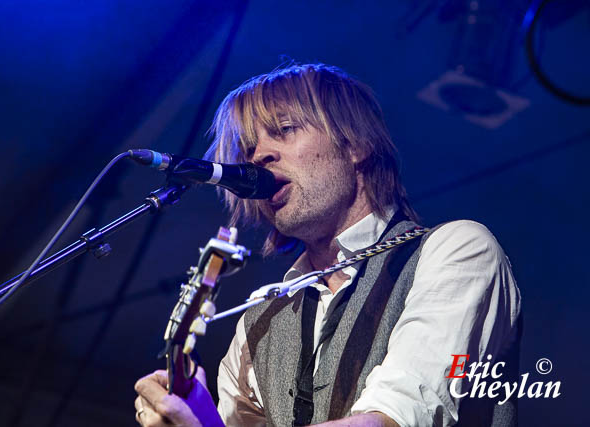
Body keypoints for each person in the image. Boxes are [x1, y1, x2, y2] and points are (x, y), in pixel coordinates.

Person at [134, 63, 521, 426]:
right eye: (248, 148)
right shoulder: (258, 321)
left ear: (355, 144)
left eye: (284, 129)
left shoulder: (457, 250)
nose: (259, 156)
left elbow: (394, 418)